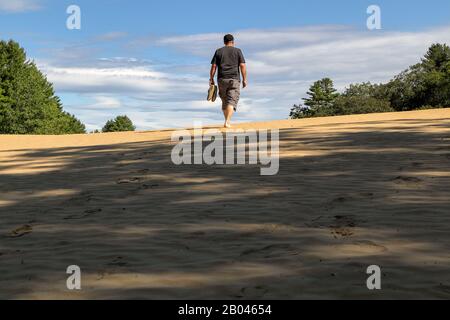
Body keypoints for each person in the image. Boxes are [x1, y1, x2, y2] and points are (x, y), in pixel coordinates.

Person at [210, 34, 247, 128]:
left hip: (221, 79)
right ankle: (227, 121)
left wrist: (211, 78)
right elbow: (242, 65)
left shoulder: (218, 51)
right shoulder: (238, 51)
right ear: (233, 42)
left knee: (225, 101)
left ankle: (226, 121)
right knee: (232, 100)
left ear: (224, 42)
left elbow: (214, 66)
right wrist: (244, 79)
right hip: (234, 79)